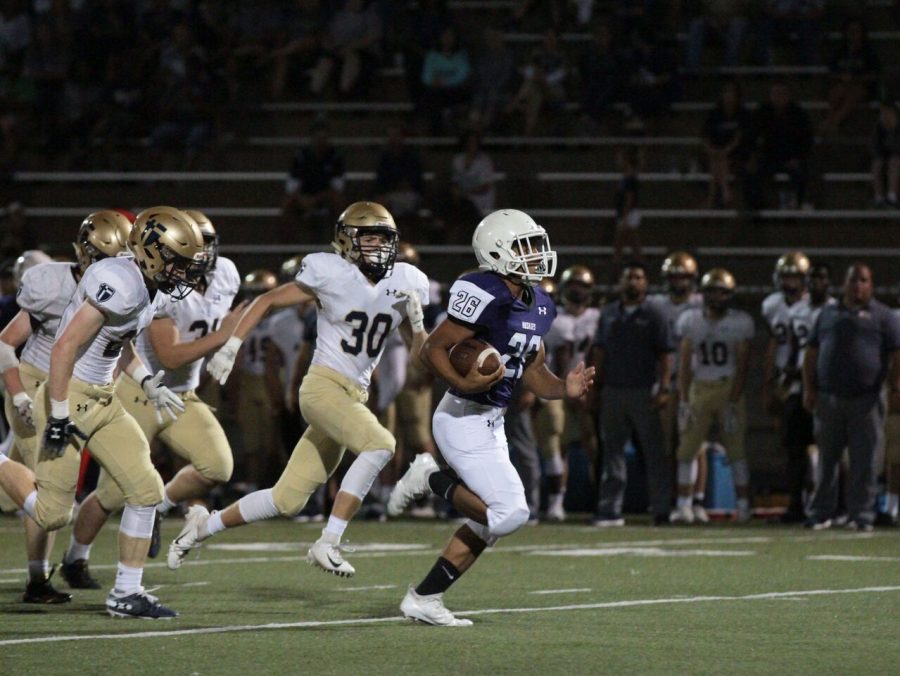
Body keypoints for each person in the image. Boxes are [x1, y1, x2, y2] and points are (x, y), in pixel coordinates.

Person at [167, 201, 429, 579]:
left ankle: (201, 528)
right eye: (369, 238)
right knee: (381, 444)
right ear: (347, 241)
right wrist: (232, 345)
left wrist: (418, 328)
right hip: (323, 388)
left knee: (286, 499)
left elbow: (422, 359)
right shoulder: (330, 271)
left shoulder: (406, 281)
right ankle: (329, 541)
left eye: (384, 239)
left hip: (353, 395)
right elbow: (267, 299)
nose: (378, 247)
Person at [386, 208, 594, 626]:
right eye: (525, 247)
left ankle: (424, 598)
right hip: (460, 418)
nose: (535, 254)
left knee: (492, 521)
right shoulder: (481, 290)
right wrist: (462, 385)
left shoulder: (540, 304)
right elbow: (433, 349)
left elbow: (534, 372)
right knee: (510, 514)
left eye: (536, 246)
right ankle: (430, 477)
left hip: (491, 421)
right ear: (497, 250)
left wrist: (564, 390)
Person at [0, 207, 207, 618]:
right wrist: (57, 413)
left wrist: (146, 381)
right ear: (151, 253)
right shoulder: (120, 281)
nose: (184, 273)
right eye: (178, 262)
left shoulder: (146, 284)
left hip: (103, 398)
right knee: (52, 515)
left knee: (147, 490)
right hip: (70, 394)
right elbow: (64, 346)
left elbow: (118, 340)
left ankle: (125, 594)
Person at [59, 211, 244, 588]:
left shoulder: (225, 274)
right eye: (191, 249)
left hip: (181, 393)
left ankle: (158, 505)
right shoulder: (157, 279)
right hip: (141, 392)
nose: (200, 257)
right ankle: (75, 558)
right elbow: (170, 355)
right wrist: (226, 336)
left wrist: (234, 338)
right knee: (112, 492)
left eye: (205, 245)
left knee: (218, 466)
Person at [0, 212, 130, 603]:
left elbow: (119, 348)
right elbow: (6, 342)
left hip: (75, 390)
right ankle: (38, 580)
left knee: (27, 495)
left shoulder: (123, 285)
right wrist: (20, 394)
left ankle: (38, 579)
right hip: (37, 384)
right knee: (50, 493)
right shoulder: (52, 282)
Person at [803, 263, 900, 531]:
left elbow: (896, 353)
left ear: (871, 285)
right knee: (827, 459)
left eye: (863, 280)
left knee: (864, 461)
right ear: (844, 284)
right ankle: (821, 511)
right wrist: (810, 388)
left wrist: (893, 385)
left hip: (866, 398)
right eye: (853, 280)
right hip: (829, 397)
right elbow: (811, 353)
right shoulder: (828, 313)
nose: (858, 285)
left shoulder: (883, 316)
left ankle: (862, 514)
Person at [591, 261, 673, 527]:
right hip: (613, 389)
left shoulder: (654, 314)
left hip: (642, 391)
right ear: (620, 283)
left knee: (653, 452)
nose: (633, 282)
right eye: (628, 277)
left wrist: (664, 386)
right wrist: (594, 386)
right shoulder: (609, 313)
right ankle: (610, 509)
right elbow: (600, 351)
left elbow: (665, 353)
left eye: (638, 276)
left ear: (646, 283)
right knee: (612, 451)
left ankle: (661, 508)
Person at [673, 268, 754, 524]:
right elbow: (684, 364)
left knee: (736, 450)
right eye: (711, 292)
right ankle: (684, 505)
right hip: (700, 386)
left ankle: (743, 506)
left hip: (727, 386)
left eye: (722, 292)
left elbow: (743, 365)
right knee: (686, 449)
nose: (716, 297)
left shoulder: (740, 323)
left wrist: (733, 401)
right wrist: (684, 399)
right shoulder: (691, 320)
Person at [773, 262, 835, 523]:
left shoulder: (836, 312)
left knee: (829, 451)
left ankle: (830, 505)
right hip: (799, 388)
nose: (815, 283)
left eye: (821, 278)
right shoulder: (795, 311)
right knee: (795, 449)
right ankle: (796, 504)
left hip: (826, 389)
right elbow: (789, 346)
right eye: (811, 278)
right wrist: (785, 375)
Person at [647, 251, 706, 521]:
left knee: (696, 444)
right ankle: (674, 498)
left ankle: (697, 499)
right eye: (674, 276)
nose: (678, 281)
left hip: (695, 381)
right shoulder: (656, 304)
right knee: (667, 445)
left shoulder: (700, 305)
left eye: (683, 276)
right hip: (665, 380)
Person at [540, 265, 600, 522]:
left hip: (590, 389)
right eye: (573, 284)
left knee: (594, 447)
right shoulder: (553, 318)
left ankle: (600, 501)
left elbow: (600, 355)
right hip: (559, 388)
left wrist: (590, 390)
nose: (577, 290)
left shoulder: (598, 317)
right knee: (558, 445)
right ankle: (557, 502)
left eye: (583, 285)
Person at [701, 80, 751, 208]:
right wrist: (710, 149)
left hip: (735, 152)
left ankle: (713, 197)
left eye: (732, 93)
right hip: (715, 151)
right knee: (716, 159)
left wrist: (727, 150)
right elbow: (705, 135)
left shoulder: (743, 114)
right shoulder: (714, 113)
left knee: (720, 159)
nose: (729, 96)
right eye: (727, 93)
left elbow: (739, 138)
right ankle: (724, 191)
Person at [612, 146, 641, 272]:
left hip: (628, 213)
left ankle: (616, 269)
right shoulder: (627, 177)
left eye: (620, 159)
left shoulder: (630, 178)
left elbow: (629, 198)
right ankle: (617, 267)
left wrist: (624, 216)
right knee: (625, 243)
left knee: (626, 242)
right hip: (626, 213)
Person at [871, 102, 900, 208]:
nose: (882, 116)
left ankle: (892, 196)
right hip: (888, 157)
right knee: (876, 164)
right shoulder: (879, 128)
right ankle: (878, 197)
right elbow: (876, 147)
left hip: (896, 158)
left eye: (885, 112)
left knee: (894, 162)